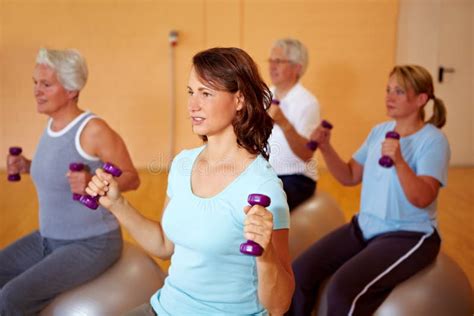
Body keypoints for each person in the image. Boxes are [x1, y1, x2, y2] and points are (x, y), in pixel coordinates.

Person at [85, 47, 295, 316]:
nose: (192, 105)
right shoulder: (183, 163)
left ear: (239, 99)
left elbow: (279, 306)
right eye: (190, 92)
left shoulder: (262, 188)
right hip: (165, 307)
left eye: (206, 93)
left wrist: (265, 255)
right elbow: (164, 245)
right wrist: (117, 203)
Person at [287, 64, 450, 315]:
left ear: (421, 99)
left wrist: (399, 162)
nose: (389, 96)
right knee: (299, 272)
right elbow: (349, 175)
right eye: (388, 89)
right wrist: (326, 147)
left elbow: (423, 197)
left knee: (342, 290)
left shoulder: (433, 140)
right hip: (366, 225)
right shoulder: (379, 132)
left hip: (409, 234)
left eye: (399, 91)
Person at [0, 48, 140, 315]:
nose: (37, 91)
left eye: (46, 84)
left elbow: (133, 178)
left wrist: (92, 182)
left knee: (11, 298)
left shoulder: (93, 130)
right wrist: (27, 166)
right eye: (35, 83)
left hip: (91, 243)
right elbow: (58, 174)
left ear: (71, 89)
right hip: (48, 238)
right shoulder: (52, 125)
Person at [267, 38, 321, 210]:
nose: (272, 66)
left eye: (279, 61)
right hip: (265, 174)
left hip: (296, 178)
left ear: (297, 67)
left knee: (263, 206)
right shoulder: (263, 95)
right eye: (271, 60)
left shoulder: (308, 102)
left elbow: (306, 154)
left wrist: (284, 123)